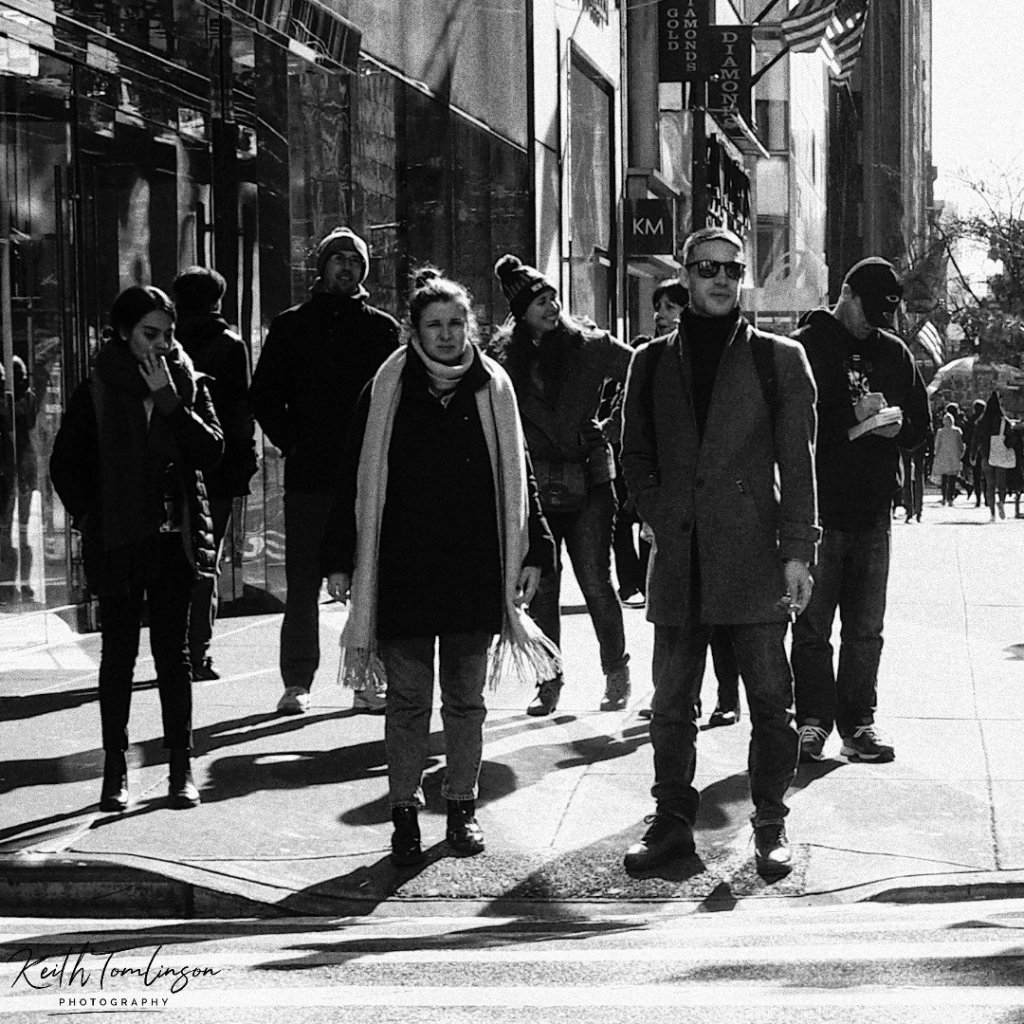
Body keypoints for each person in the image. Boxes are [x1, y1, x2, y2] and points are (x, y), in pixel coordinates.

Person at [322, 268, 557, 865]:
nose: (447, 334)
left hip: (473, 567)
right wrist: (340, 558)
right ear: (415, 330)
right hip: (402, 566)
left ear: (469, 326)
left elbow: (520, 471)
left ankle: (461, 809)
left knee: (465, 701)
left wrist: (536, 548)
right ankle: (404, 814)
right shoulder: (386, 387)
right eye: (435, 325)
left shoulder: (494, 385)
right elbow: (352, 472)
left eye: (456, 323)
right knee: (407, 701)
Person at [619, 226, 819, 878]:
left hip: (753, 556)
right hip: (681, 558)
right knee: (671, 703)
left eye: (732, 269)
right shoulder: (651, 361)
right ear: (685, 274)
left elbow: (799, 464)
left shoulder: (778, 358)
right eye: (708, 268)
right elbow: (634, 453)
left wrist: (798, 552)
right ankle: (672, 821)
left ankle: (770, 822)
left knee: (771, 702)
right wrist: (659, 511)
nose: (722, 279)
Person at [50, 286, 224, 812]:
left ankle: (180, 768)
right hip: (118, 541)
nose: (162, 345)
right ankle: (115, 769)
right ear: (124, 332)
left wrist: (169, 399)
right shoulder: (97, 388)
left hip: (173, 539)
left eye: (168, 334)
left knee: (175, 655)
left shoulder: (187, 382)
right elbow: (65, 465)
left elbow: (212, 451)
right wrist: (92, 520)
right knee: (119, 655)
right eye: (150, 334)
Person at [250, 227, 400, 715]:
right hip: (311, 475)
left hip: (366, 474)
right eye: (338, 259)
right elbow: (263, 394)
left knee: (370, 578)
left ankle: (367, 679)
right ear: (322, 267)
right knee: (303, 584)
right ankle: (297, 681)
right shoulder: (292, 326)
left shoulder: (382, 329)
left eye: (355, 260)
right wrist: (293, 442)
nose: (347, 267)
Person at [791, 257, 929, 765]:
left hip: (873, 511)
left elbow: (921, 426)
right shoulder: (806, 346)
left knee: (866, 629)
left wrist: (900, 428)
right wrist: (851, 415)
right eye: (868, 312)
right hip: (819, 511)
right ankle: (812, 721)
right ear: (845, 294)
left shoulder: (893, 352)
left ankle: (858, 723)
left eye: (883, 316)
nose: (874, 324)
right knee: (812, 627)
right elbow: (791, 427)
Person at [489, 254, 634, 716]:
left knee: (595, 581)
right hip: (534, 486)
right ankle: (548, 681)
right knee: (542, 588)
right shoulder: (504, 359)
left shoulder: (590, 345)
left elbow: (642, 370)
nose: (552, 307)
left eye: (554, 297)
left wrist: (613, 426)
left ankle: (616, 672)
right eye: (541, 302)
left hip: (589, 479)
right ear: (521, 314)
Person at [172, 267, 258, 681]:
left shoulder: (165, 343)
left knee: (171, 558)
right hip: (218, 467)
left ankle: (172, 646)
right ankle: (197, 650)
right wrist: (245, 461)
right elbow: (241, 411)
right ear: (218, 300)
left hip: (171, 465)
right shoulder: (230, 345)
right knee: (207, 557)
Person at [974, 390, 1016, 522]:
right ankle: (1001, 502)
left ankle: (992, 514)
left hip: (986, 455)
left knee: (989, 485)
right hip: (1000, 454)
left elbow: (976, 439)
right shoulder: (1004, 421)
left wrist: (973, 455)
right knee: (1001, 484)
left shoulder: (982, 422)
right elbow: (1011, 439)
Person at [932, 411, 965, 506]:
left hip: (943, 457)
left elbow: (937, 445)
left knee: (944, 479)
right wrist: (961, 453)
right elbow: (960, 444)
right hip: (954, 457)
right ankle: (950, 498)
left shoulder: (940, 432)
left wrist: (936, 454)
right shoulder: (957, 431)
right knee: (952, 479)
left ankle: (944, 498)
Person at [965, 398, 987, 506]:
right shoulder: (987, 420)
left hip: (975, 451)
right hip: (986, 450)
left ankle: (978, 499)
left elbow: (968, 437)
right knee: (986, 476)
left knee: (976, 476)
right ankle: (987, 499)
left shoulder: (972, 420)